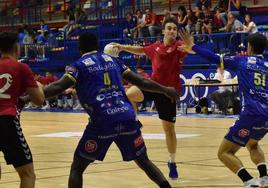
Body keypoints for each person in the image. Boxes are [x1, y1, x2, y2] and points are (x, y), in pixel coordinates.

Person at [42, 32, 180, 188]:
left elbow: (59, 86)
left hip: (102, 121)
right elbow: (141, 81)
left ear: (80, 48)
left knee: (77, 168)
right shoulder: (114, 61)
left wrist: (29, 97)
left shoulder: (78, 65)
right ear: (97, 45)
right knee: (144, 161)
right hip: (127, 118)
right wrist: (165, 90)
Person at [178, 29, 268, 188]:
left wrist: (193, 46)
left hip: (251, 113)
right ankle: (265, 177)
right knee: (252, 144)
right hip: (266, 115)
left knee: (224, 153)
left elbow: (214, 58)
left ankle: (249, 181)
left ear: (250, 47)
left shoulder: (242, 61)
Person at [114, 17, 187, 179]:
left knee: (169, 130)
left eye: (174, 29)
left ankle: (172, 161)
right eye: (169, 28)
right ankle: (135, 121)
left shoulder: (179, 47)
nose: (172, 31)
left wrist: (191, 45)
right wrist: (122, 47)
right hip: (153, 86)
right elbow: (140, 50)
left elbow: (191, 49)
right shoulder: (155, 47)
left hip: (168, 92)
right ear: (163, 31)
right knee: (129, 94)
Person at [0, 32, 44, 188]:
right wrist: (38, 87)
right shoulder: (21, 67)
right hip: (7, 121)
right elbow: (39, 100)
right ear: (16, 48)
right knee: (27, 174)